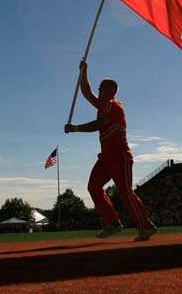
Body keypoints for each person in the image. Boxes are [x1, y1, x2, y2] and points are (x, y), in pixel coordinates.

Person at [65, 60, 157, 241]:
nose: (98, 91)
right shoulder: (102, 104)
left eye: (101, 88)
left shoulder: (114, 106)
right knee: (93, 187)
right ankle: (113, 222)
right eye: (98, 88)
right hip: (106, 158)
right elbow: (86, 93)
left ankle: (146, 226)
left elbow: (99, 124)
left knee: (125, 192)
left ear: (111, 91)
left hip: (120, 157)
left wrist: (75, 128)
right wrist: (84, 72)